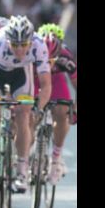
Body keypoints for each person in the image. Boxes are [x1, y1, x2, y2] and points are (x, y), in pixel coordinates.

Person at [0, 15, 51, 194]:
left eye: (24, 44)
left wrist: (38, 108)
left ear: (31, 41)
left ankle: (22, 170)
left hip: (21, 74)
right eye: (15, 45)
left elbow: (46, 85)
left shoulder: (39, 45)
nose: (20, 49)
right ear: (8, 41)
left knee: (24, 116)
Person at [34, 24, 77, 185]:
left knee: (62, 113)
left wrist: (74, 110)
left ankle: (56, 157)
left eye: (52, 59)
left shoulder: (66, 57)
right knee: (29, 114)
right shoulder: (32, 53)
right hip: (36, 79)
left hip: (56, 80)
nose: (48, 62)